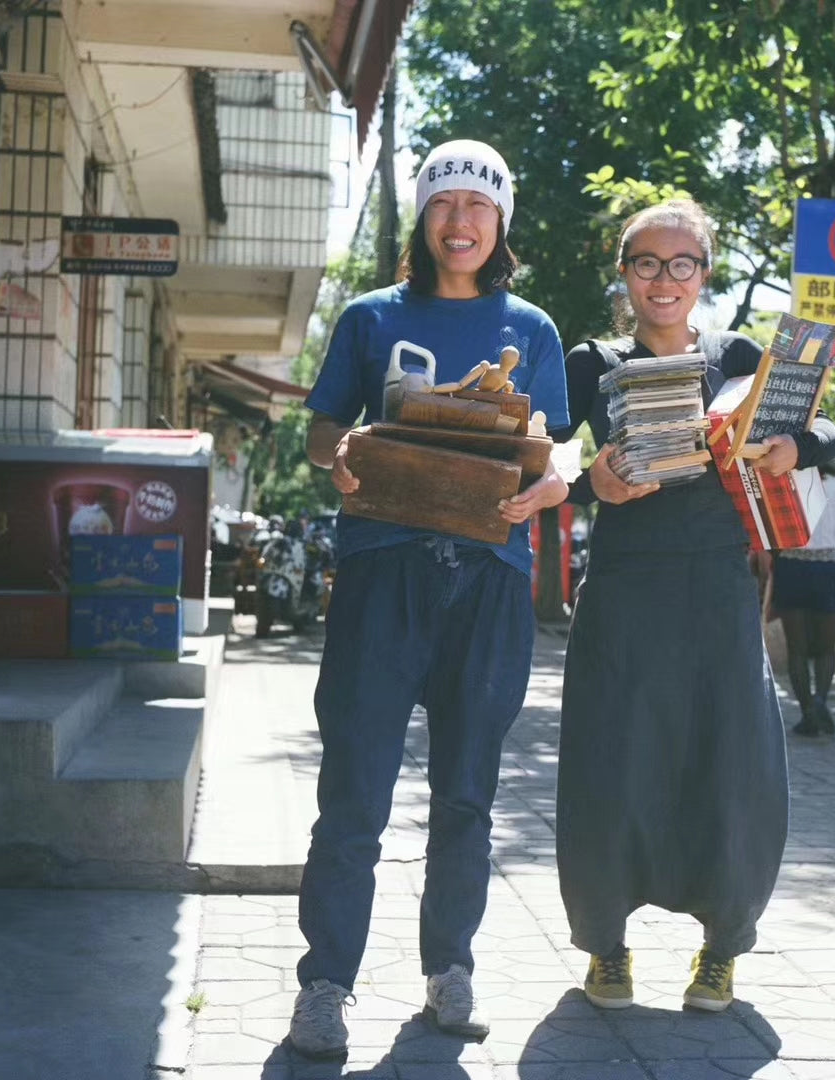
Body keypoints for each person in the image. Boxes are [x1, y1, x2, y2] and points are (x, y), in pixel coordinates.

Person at [288, 139, 570, 1062]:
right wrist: (341, 459)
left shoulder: (530, 330)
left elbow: (557, 447)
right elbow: (323, 430)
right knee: (355, 792)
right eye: (446, 203)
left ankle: (450, 969)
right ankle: (325, 986)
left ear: (501, 224)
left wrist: (551, 486)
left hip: (491, 576)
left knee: (466, 798)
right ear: (424, 216)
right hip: (383, 567)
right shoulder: (371, 318)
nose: (462, 221)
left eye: (480, 207)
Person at [552, 199, 835, 1014]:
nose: (664, 279)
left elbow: (829, 436)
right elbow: (537, 462)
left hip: (720, 589)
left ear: (704, 274)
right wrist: (587, 484)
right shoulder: (590, 362)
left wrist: (795, 445)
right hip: (623, 590)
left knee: (732, 762)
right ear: (625, 273)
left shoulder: (739, 357)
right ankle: (607, 949)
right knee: (613, 762)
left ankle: (722, 950)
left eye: (682, 264)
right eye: (647, 262)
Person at [772, 459, 835, 736]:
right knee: (826, 648)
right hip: (826, 568)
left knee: (796, 649)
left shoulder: (786, 483)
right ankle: (821, 700)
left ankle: (807, 711)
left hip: (792, 566)